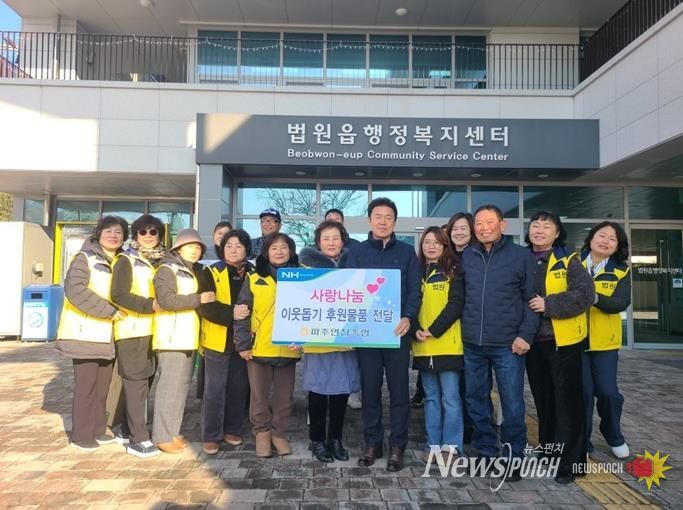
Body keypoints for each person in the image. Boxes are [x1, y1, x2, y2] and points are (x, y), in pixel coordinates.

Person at [460, 205, 540, 481]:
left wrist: (525, 335)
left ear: (502, 225)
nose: (484, 227)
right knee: (476, 399)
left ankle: (514, 456)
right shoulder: (467, 256)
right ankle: (485, 450)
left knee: (512, 402)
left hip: (508, 344)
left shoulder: (521, 256)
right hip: (472, 343)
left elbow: (532, 300)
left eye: (489, 222)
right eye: (479, 223)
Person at [342, 197, 422, 472]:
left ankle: (398, 446)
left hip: (397, 333)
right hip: (367, 334)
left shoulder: (407, 252)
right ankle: (372, 443)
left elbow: (415, 290)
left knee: (399, 391)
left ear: (395, 222)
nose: (383, 221)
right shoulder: (357, 253)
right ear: (369, 220)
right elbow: (348, 290)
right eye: (378, 216)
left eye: (388, 217)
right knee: (370, 390)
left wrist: (408, 316)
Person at [525, 212, 594, 483]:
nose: (539, 230)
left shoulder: (568, 260)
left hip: (563, 343)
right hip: (533, 343)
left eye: (546, 227)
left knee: (568, 404)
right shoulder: (523, 259)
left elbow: (585, 294)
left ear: (556, 233)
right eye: (535, 225)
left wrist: (549, 304)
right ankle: (549, 452)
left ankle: (572, 464)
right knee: (544, 401)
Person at [56, 215, 129, 451]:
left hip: (108, 335)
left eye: (118, 232)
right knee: (86, 386)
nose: (113, 236)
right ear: (98, 234)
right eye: (108, 231)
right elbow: (75, 290)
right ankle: (81, 434)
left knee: (102, 386)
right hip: (85, 332)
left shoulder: (120, 261)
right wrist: (109, 311)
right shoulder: (84, 258)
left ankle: (98, 428)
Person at [234, 233, 301, 458]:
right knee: (259, 396)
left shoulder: (303, 275)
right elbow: (242, 313)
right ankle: (261, 432)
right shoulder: (254, 277)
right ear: (266, 253)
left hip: (289, 348)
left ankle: (278, 432)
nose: (279, 252)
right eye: (274, 248)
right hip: (258, 347)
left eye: (284, 247)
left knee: (284, 397)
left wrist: (303, 338)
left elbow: (312, 311)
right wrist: (243, 344)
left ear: (291, 251)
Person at [299, 221, 361, 463]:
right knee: (317, 392)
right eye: (326, 238)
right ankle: (317, 440)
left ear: (343, 240)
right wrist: (293, 333)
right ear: (318, 242)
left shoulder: (354, 266)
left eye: (335, 238)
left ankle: (335, 438)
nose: (331, 243)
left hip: (345, 341)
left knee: (340, 392)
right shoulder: (305, 267)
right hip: (317, 342)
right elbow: (296, 304)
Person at [152, 228, 215, 454]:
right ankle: (161, 435)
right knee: (169, 387)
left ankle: (172, 432)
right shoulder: (167, 269)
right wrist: (198, 299)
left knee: (181, 388)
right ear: (178, 249)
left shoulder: (191, 270)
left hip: (187, 337)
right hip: (172, 337)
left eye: (198, 247)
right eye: (189, 247)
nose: (194, 251)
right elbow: (166, 300)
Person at [110, 214, 166, 458]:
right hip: (132, 329)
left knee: (146, 383)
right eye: (143, 232)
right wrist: (149, 305)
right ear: (135, 235)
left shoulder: (162, 261)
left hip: (156, 330)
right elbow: (118, 294)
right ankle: (138, 439)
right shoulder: (126, 260)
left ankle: (126, 427)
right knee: (135, 384)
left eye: (153, 232)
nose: (148, 236)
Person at [197, 229, 253, 455]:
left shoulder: (253, 272)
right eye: (229, 246)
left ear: (246, 249)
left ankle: (232, 429)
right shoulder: (211, 271)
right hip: (217, 339)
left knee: (238, 387)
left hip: (244, 339)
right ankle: (210, 435)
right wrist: (232, 313)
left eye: (239, 246)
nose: (233, 250)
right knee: (214, 389)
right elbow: (206, 306)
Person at [412, 226, 465, 463]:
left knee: (450, 399)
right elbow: (409, 304)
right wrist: (415, 329)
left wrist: (433, 330)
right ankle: (432, 444)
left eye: (436, 242)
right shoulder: (416, 272)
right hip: (422, 346)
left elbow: (456, 305)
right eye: (427, 242)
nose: (431, 246)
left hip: (447, 345)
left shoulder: (453, 270)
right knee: (431, 398)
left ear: (445, 246)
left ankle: (452, 447)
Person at [581, 221, 632, 459]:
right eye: (602, 236)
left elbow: (620, 303)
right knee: (582, 393)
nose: (606, 241)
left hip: (605, 343)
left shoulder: (621, 271)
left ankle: (613, 434)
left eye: (613, 239)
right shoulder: (573, 264)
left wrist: (595, 298)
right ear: (591, 239)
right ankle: (582, 440)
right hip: (575, 340)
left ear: (618, 246)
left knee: (608, 392)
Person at [324, 207, 361, 410]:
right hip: (321, 321)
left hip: (348, 317)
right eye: (330, 219)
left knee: (348, 362)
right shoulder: (310, 257)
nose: (334, 222)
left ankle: (352, 393)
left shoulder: (355, 250)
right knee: (322, 369)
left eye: (337, 219)